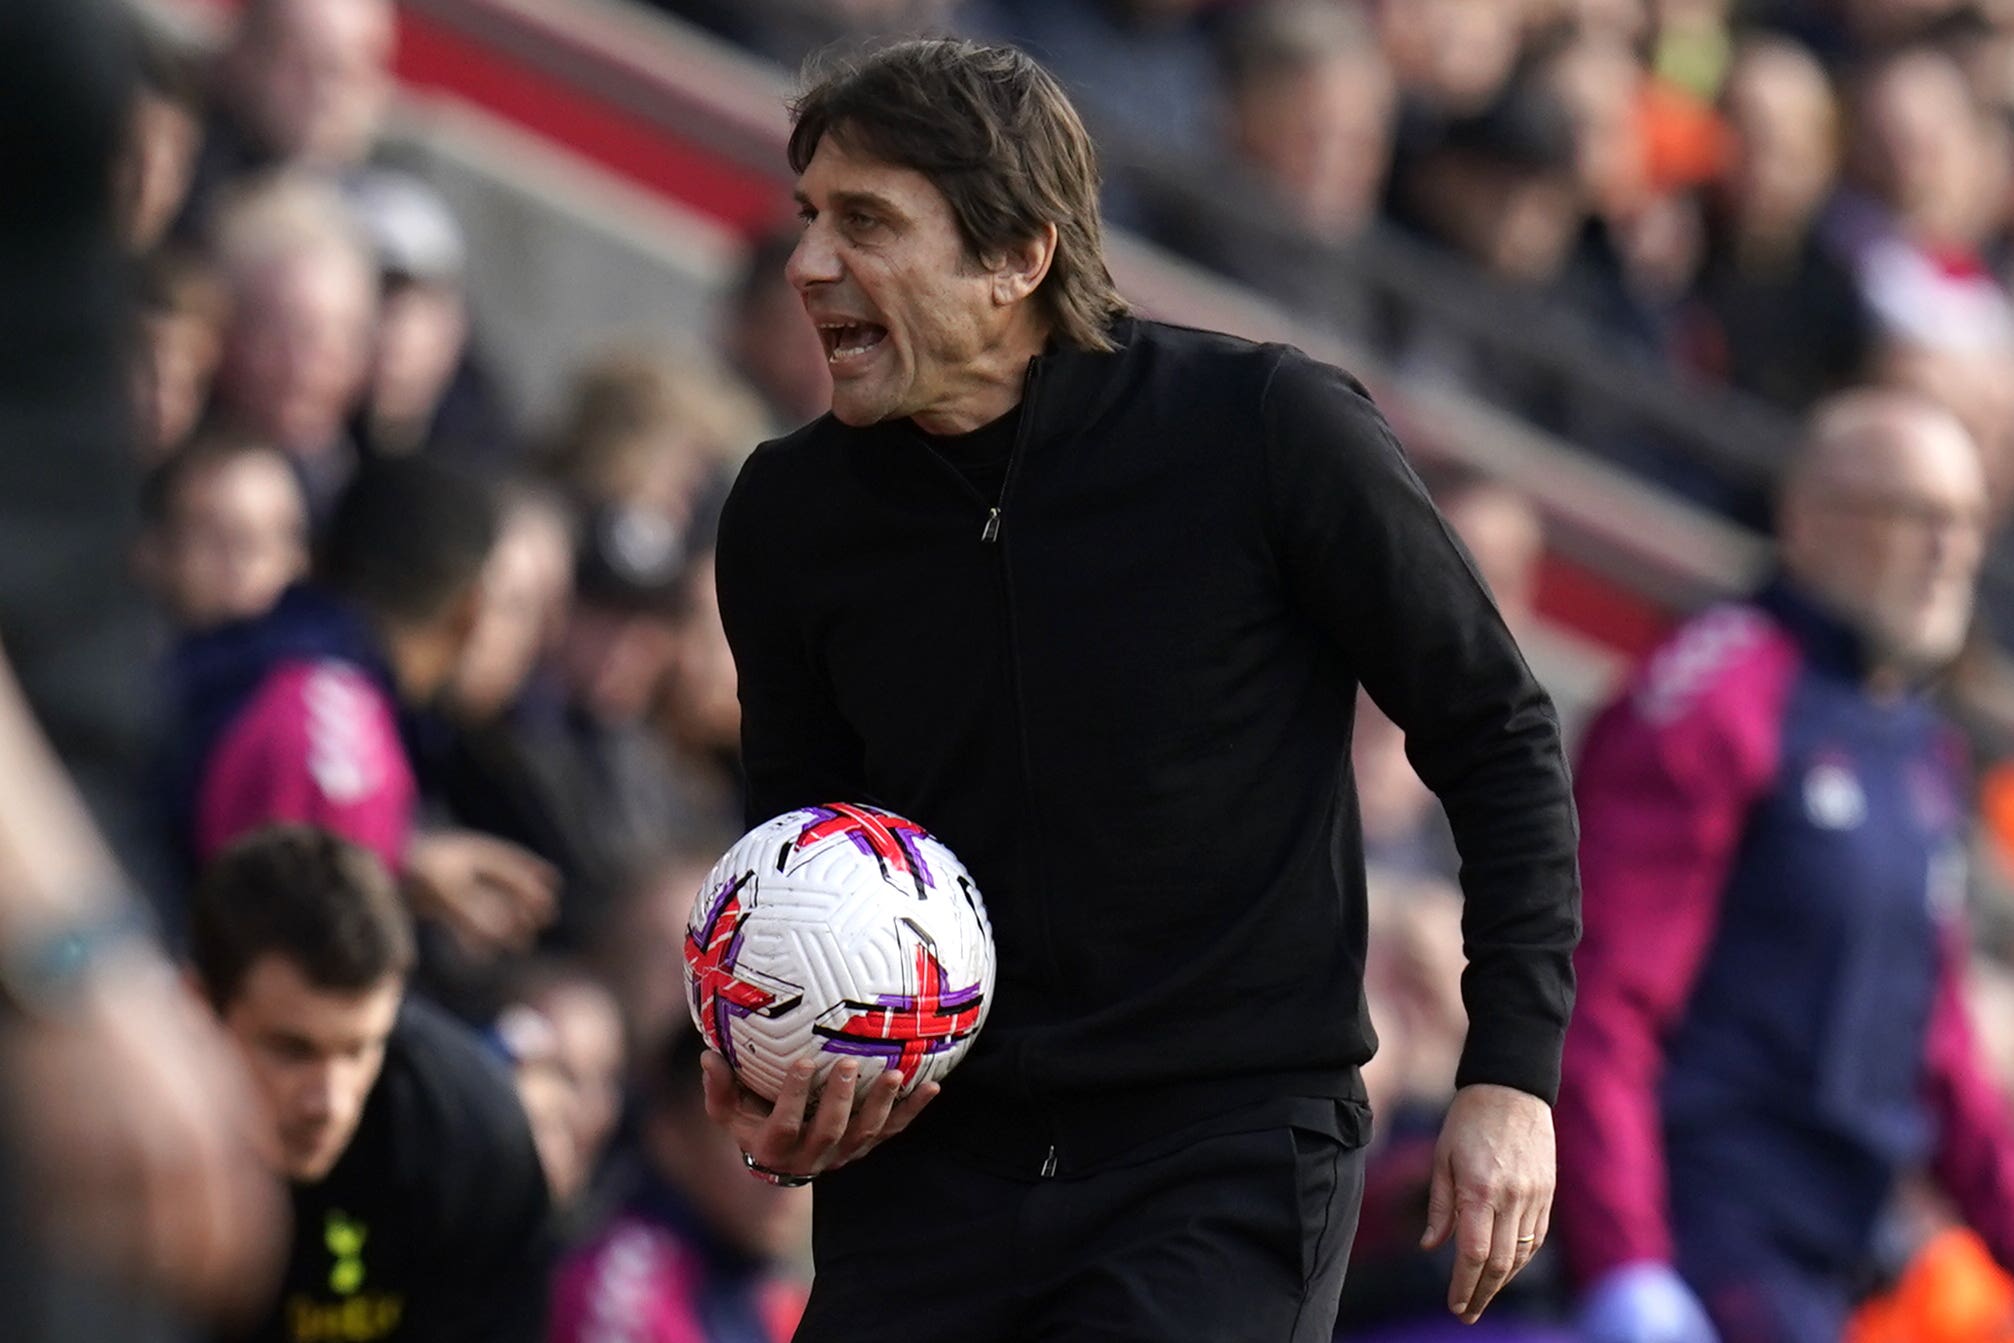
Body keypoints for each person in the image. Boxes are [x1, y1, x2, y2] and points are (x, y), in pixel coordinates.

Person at [708, 38, 1581, 1343]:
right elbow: (794, 844)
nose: (808, 264)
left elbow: (1498, 734)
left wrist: (1510, 1069)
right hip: (931, 1168)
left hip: (1218, 1164)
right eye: (809, 219)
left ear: (1018, 257)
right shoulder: (786, 513)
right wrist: (764, 1057)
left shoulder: (1269, 429)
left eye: (867, 223)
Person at [1557, 389, 2014, 1343]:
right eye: (1913, 516)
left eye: (1969, 521)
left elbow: (1938, 1049)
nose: (1950, 552)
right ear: (1806, 519)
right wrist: (1626, 1264)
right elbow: (1599, 999)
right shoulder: (1715, 702)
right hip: (1702, 1240)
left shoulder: (1915, 749)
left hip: (1830, 1266)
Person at [165, 455, 557, 954]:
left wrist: (398, 857)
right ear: (468, 613)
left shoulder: (258, 655)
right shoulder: (344, 745)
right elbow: (300, 995)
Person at [188, 824, 552, 1342]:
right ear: (197, 1008)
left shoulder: (469, 1134)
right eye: (292, 1050)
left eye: (360, 1049)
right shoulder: (96, 1153)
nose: (330, 1102)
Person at [549, 1029, 810, 1343]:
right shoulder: (620, 1293)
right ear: (670, 1135)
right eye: (749, 1138)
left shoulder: (779, 1300)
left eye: (804, 1138)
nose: (783, 1173)